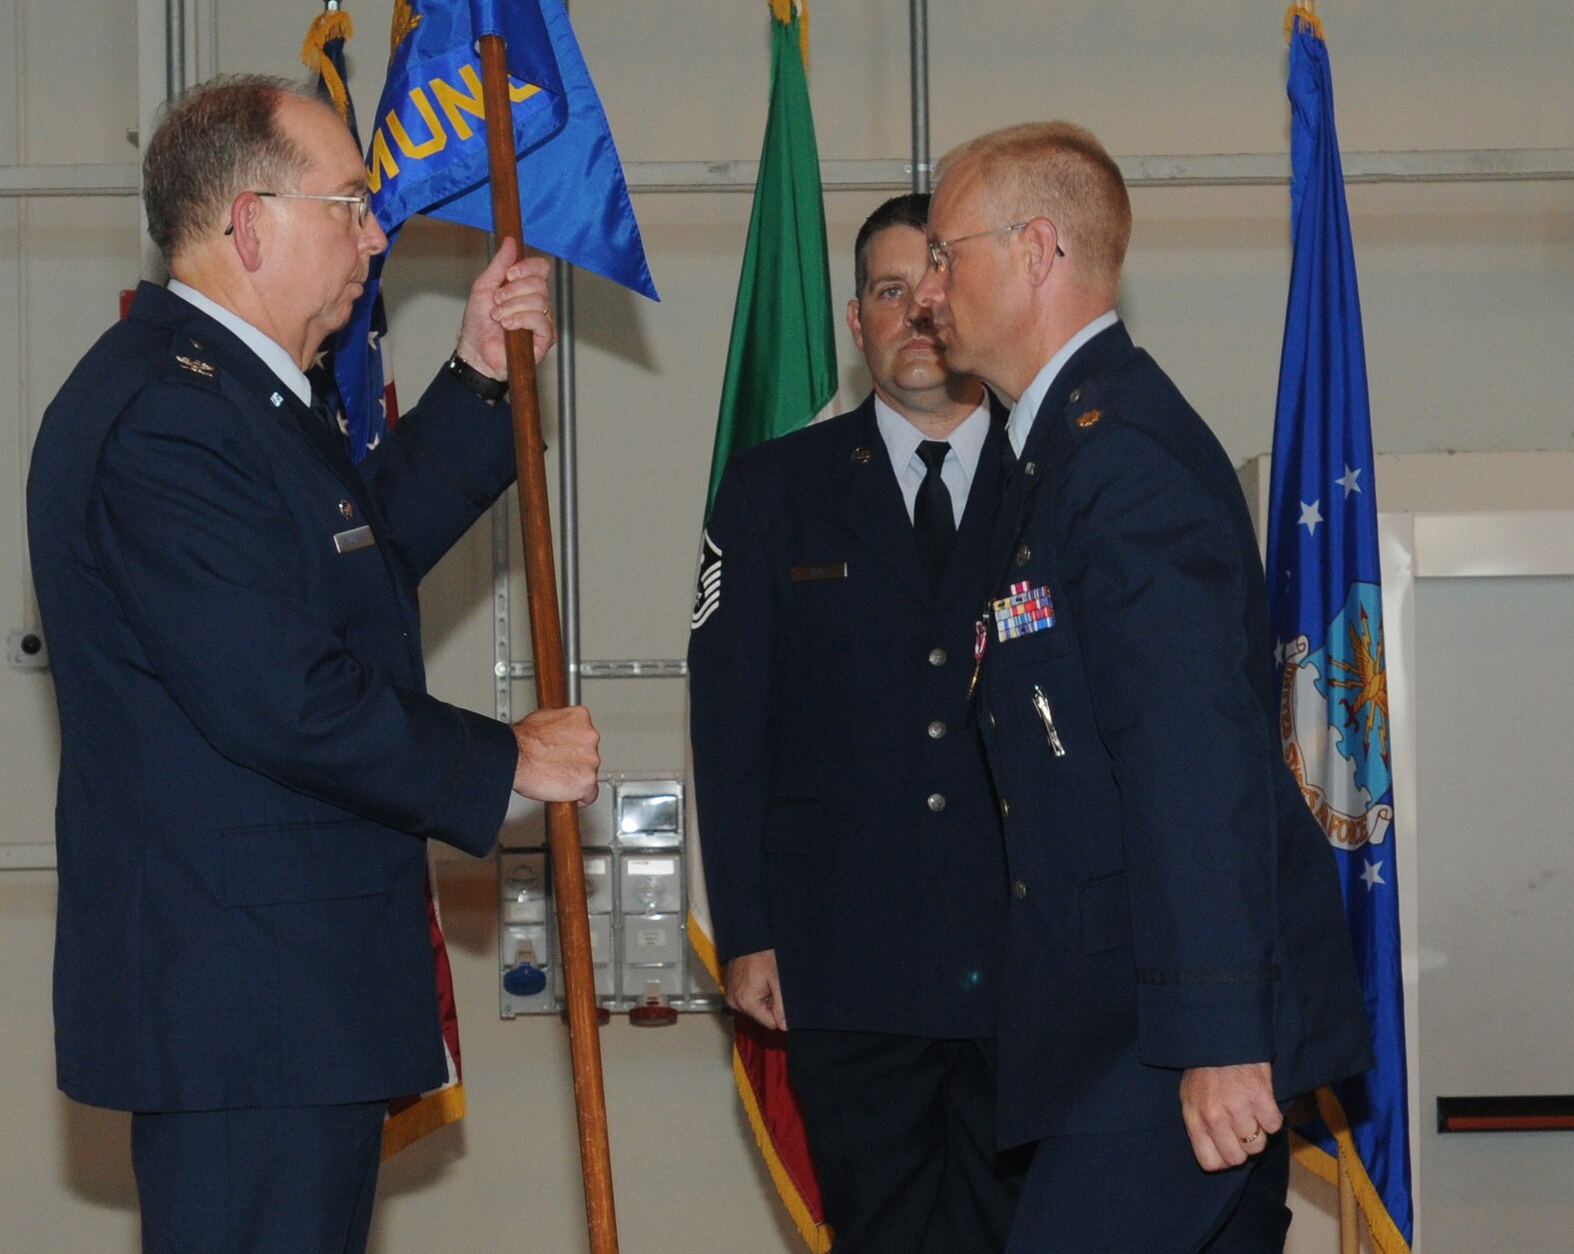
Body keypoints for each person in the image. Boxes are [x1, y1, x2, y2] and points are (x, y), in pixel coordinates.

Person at [26, 74, 601, 1254]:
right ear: (248, 223)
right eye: (348, 203)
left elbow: (352, 563)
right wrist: (502, 759)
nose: (376, 233)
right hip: (243, 1010)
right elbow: (281, 693)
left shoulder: (234, 396)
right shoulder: (168, 415)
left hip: (282, 999)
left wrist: (479, 375)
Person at [910, 122, 1371, 1254]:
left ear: (1035, 250)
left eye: (942, 253)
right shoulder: (1051, 450)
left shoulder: (1119, 457)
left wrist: (1216, 1031)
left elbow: (1191, 757)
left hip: (1166, 1028)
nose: (926, 292)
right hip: (1111, 1015)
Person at [689, 194, 1018, 1252]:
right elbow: (728, 724)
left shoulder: (1058, 475)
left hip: (1027, 962)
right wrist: (745, 929)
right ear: (853, 318)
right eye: (889, 290)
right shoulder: (770, 491)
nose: (917, 313)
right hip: (847, 961)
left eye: (937, 287)